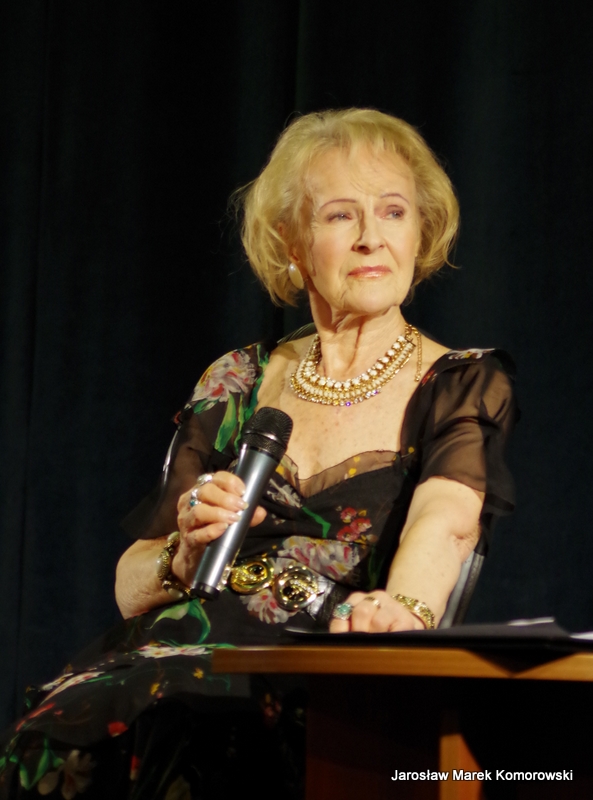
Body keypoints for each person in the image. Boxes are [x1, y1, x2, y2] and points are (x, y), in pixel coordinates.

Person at [0, 109, 517, 799]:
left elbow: (446, 521)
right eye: (341, 215)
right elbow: (129, 584)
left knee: (203, 734)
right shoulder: (238, 378)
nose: (371, 236)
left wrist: (402, 611)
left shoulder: (460, 381)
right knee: (66, 732)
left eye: (393, 212)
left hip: (321, 667)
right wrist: (182, 554)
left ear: (419, 231)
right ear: (292, 243)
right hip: (179, 651)